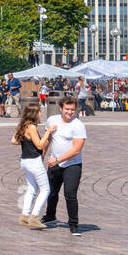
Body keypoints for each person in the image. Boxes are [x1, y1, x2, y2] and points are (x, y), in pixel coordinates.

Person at [41, 95, 87, 237]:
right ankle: (50, 216)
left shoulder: (78, 125)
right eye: (67, 109)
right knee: (51, 192)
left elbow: (76, 149)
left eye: (72, 110)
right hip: (54, 163)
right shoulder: (52, 120)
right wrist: (41, 157)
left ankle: (73, 224)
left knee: (70, 194)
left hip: (72, 165)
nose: (70, 112)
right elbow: (48, 140)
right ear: (61, 108)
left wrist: (58, 160)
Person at [12, 102, 54, 229]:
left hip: (24, 161)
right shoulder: (31, 127)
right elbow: (40, 145)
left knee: (32, 188)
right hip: (34, 161)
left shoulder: (23, 126)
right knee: (45, 189)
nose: (41, 114)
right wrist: (49, 132)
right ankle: (34, 217)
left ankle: (24, 216)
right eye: (39, 112)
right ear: (34, 114)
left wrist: (26, 142)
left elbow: (13, 140)